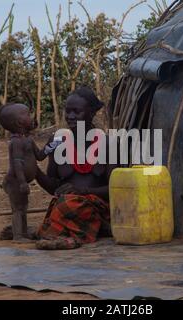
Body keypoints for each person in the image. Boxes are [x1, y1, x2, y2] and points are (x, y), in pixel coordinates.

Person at [34, 87, 116, 250]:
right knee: (65, 202)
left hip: (95, 208)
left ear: (91, 113)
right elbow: (55, 188)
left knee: (71, 203)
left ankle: (68, 236)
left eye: (77, 112)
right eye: (68, 111)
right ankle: (71, 233)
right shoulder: (56, 141)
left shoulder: (109, 144)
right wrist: (35, 171)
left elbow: (115, 188)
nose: (70, 117)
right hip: (66, 206)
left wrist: (82, 191)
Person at [0, 103, 40, 243]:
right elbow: (17, 163)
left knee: (23, 207)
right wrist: (22, 182)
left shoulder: (28, 139)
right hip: (15, 181)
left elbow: (40, 156)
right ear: (19, 122)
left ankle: (23, 233)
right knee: (18, 209)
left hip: (21, 182)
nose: (31, 117)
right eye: (28, 114)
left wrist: (53, 145)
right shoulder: (15, 142)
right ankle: (18, 236)